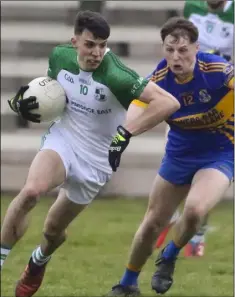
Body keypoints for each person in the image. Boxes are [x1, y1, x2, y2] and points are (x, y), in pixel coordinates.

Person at [0, 10, 179, 297]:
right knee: (31, 191)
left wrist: (126, 133)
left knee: (52, 232)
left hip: (97, 160)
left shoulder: (117, 75)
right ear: (75, 42)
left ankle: (39, 260)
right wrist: (30, 103)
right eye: (90, 44)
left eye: (102, 45)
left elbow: (168, 103)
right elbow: (52, 93)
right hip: (64, 140)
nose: (97, 52)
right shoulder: (60, 57)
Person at [108, 16, 234, 296]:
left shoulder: (217, 69)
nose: (175, 57)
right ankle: (127, 283)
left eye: (183, 50)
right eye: (169, 50)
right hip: (179, 153)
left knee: (195, 210)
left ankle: (170, 254)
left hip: (220, 151)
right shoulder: (160, 79)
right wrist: (122, 136)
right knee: (153, 222)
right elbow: (137, 110)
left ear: (196, 48)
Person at [157, 0, 234, 257]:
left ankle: (196, 233)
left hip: (223, 96)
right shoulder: (192, 7)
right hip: (190, 90)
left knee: (209, 166)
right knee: (179, 154)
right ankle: (171, 217)